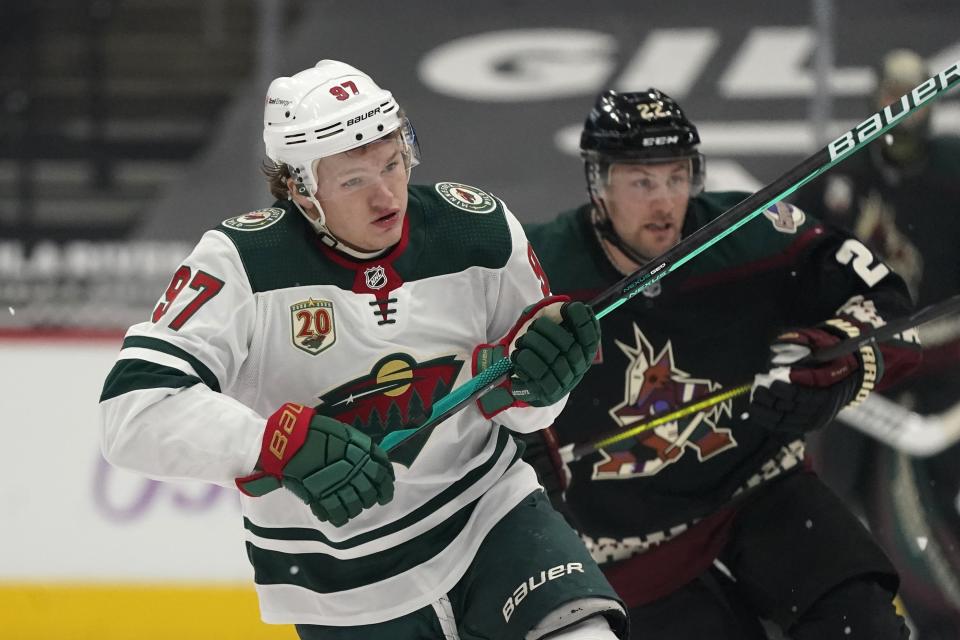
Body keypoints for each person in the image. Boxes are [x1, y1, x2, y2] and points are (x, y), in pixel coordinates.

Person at [98, 59, 628, 640]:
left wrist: (540, 382)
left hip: (491, 519)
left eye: (394, 164)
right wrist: (270, 442)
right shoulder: (239, 263)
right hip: (339, 584)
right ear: (301, 189)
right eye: (354, 180)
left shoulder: (478, 229)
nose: (386, 196)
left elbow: (530, 411)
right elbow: (133, 413)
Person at [521, 87, 923, 639]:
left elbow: (890, 308)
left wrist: (835, 366)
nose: (665, 202)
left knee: (866, 627)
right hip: (631, 547)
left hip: (759, 490)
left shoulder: (751, 232)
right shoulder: (535, 273)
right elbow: (476, 388)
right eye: (642, 182)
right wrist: (517, 447)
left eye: (677, 177)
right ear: (599, 183)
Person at [795, 48, 960, 640]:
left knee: (920, 516)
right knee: (830, 504)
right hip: (862, 374)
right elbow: (793, 255)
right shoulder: (841, 176)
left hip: (943, 381)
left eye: (911, 95)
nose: (900, 109)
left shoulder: (953, 173)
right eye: (890, 94)